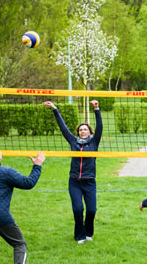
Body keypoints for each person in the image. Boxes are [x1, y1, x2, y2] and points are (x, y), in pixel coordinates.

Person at [43, 100, 103, 244]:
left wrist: (96, 109)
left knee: (91, 210)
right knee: (77, 209)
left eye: (85, 129)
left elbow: (100, 127)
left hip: (89, 181)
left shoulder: (94, 142)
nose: (83, 131)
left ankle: (88, 233)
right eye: (81, 130)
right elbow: (63, 128)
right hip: (74, 181)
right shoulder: (73, 142)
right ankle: (79, 236)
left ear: (90, 132)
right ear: (78, 132)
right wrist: (55, 109)